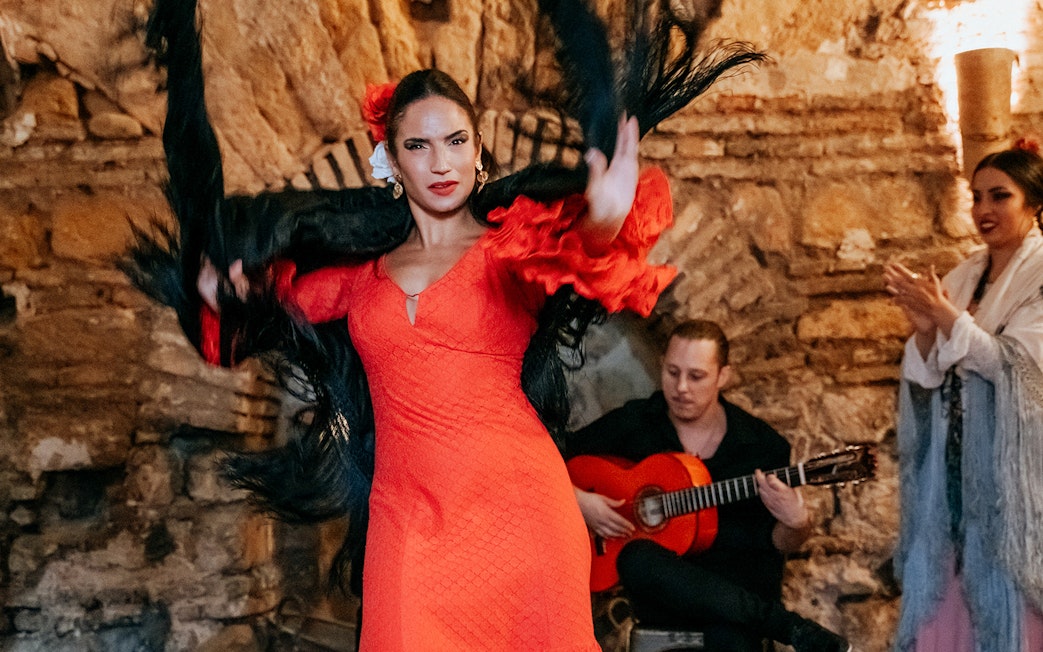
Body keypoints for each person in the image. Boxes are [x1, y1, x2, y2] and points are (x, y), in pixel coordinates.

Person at [122, 0, 768, 649]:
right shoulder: (357, 275)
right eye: (419, 145)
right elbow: (248, 323)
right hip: (409, 524)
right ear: (392, 160)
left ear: (478, 153)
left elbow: (588, 257)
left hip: (524, 516)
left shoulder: (509, 250)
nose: (440, 162)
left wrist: (602, 216)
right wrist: (218, 289)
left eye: (456, 141)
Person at [567, 320, 851, 652]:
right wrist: (581, 501)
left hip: (734, 611)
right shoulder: (636, 422)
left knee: (731, 634)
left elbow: (776, 544)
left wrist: (797, 523)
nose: (681, 387)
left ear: (723, 376)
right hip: (665, 605)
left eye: (696, 376)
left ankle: (774, 624)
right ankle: (790, 627)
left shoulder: (760, 446)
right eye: (672, 372)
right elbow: (548, 458)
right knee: (635, 558)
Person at [884, 142, 1043, 652]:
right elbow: (931, 375)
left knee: (1005, 609)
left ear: (1034, 204)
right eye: (976, 197)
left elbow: (1015, 366)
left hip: (1009, 478)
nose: (983, 210)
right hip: (950, 477)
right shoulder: (964, 274)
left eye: (1001, 196)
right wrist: (925, 329)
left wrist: (947, 317)